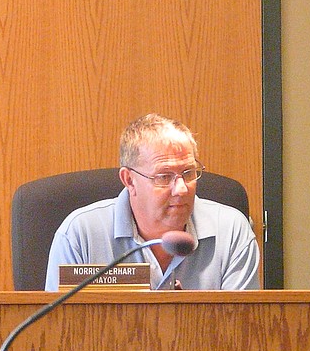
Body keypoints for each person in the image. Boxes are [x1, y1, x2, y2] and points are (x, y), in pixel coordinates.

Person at [45, 113, 259, 291]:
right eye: (164, 177)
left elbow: (239, 332)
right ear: (129, 180)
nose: (182, 188)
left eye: (189, 173)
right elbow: (62, 331)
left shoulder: (231, 231)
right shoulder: (80, 235)